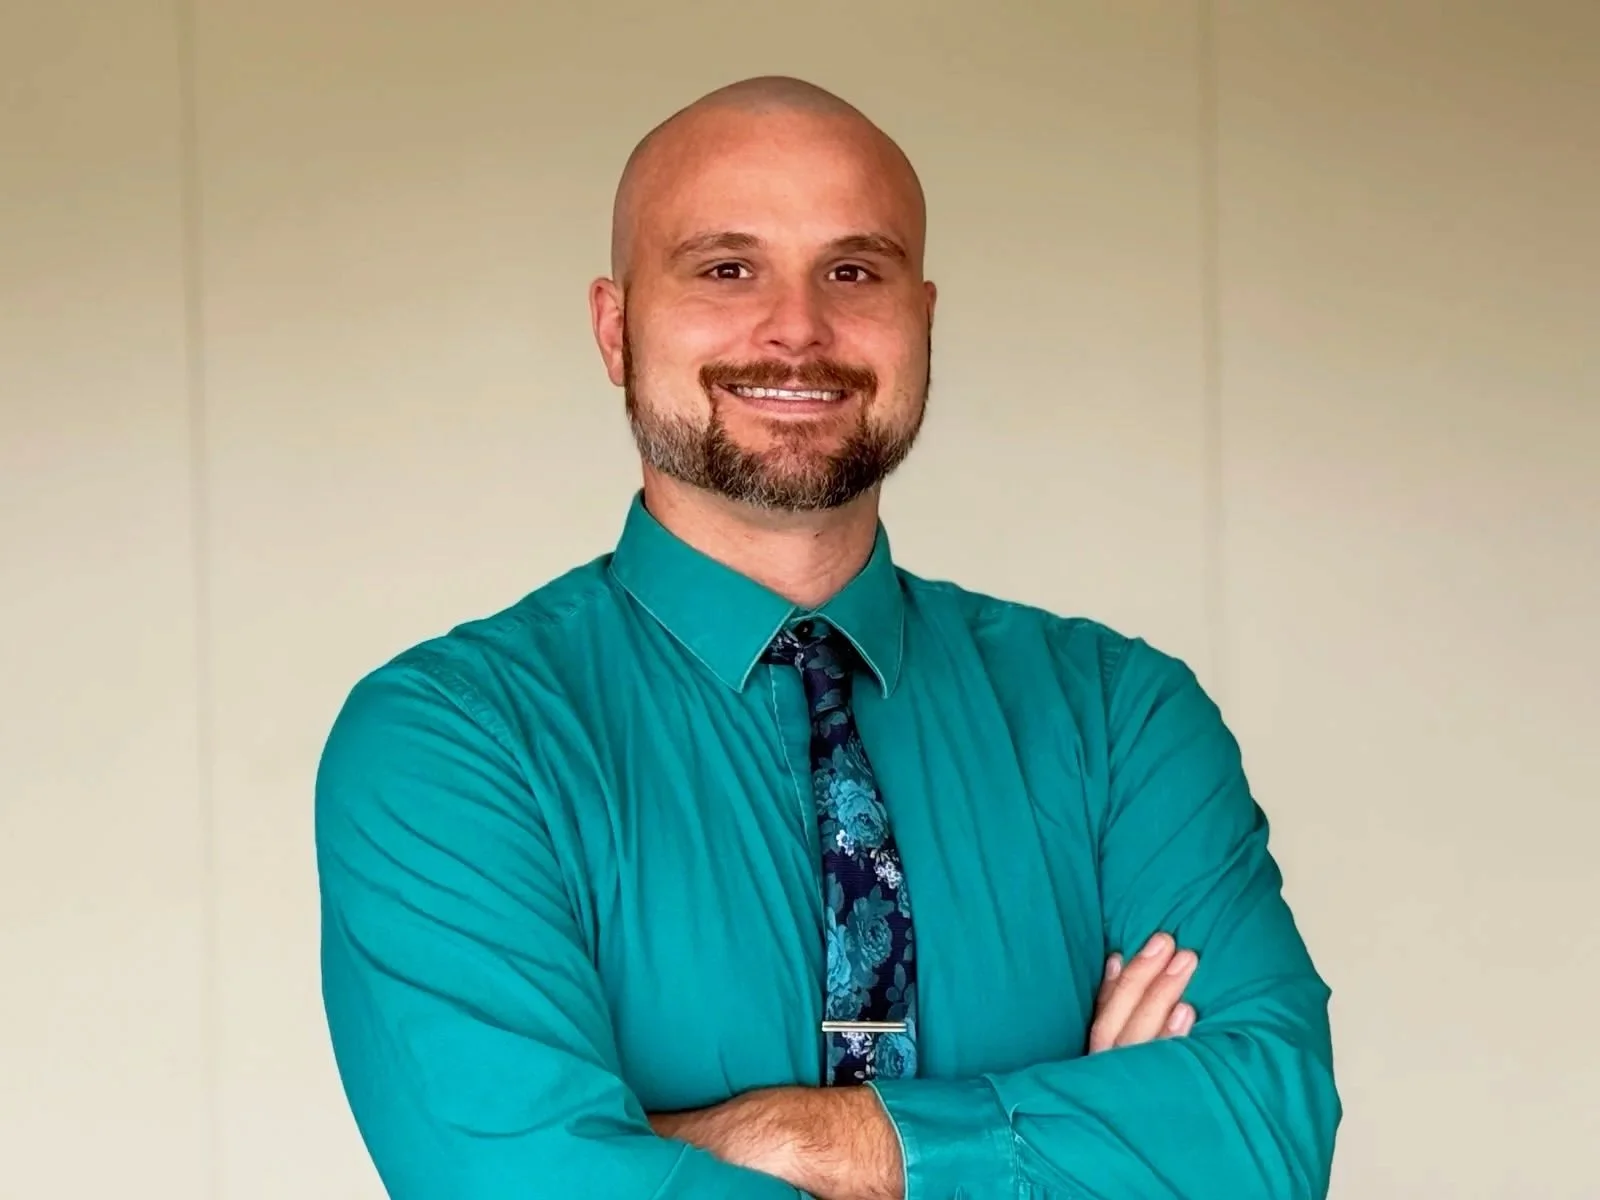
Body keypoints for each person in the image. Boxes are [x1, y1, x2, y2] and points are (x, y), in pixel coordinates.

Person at [315, 76, 1340, 1200]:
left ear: (923, 318)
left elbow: (1260, 1135)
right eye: (724, 268)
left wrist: (805, 1143)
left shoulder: (1119, 715)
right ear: (615, 329)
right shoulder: (454, 743)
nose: (796, 328)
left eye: (853, 271)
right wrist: (1078, 1145)